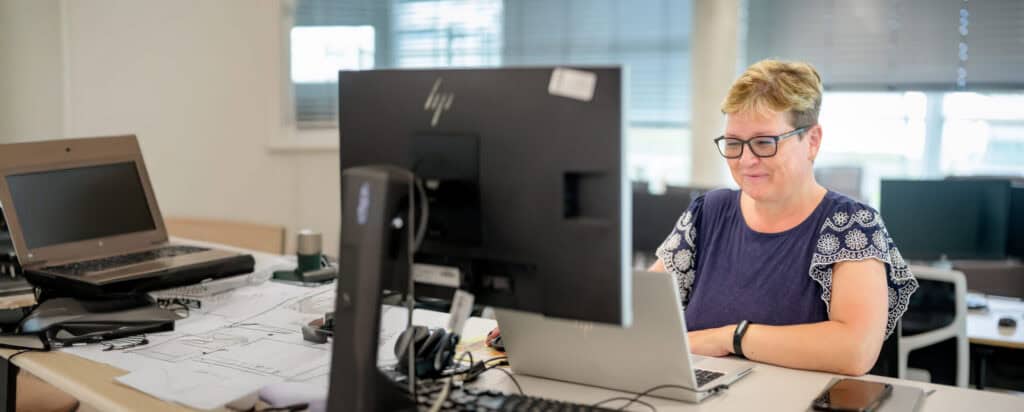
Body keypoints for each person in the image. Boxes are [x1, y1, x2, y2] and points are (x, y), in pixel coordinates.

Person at [650, 59, 919, 376]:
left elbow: (854, 350)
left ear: (812, 141)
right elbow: (643, 307)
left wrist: (731, 338)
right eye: (734, 143)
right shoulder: (707, 213)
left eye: (765, 142)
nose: (747, 160)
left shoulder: (851, 224)